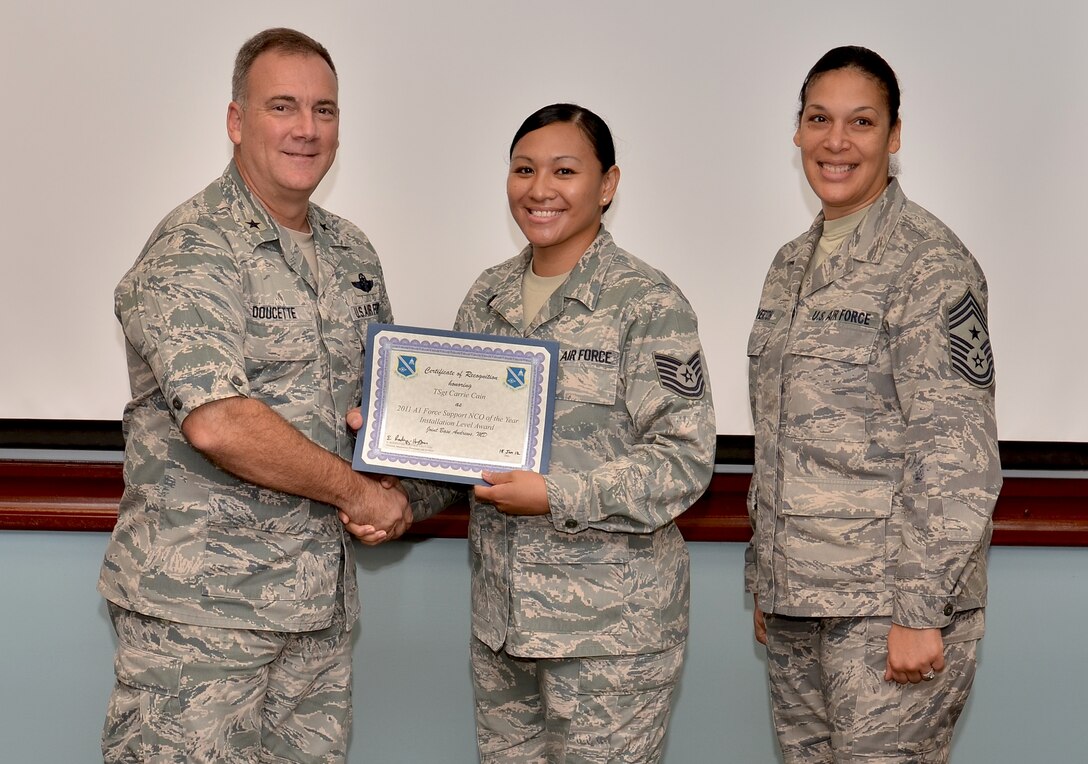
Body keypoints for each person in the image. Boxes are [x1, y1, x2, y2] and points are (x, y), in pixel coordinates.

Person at [351, 103, 716, 762]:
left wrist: (556, 494)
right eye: (524, 170)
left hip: (611, 637)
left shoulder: (649, 304)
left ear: (607, 185)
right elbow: (461, 454)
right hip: (503, 630)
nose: (539, 188)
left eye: (564, 170)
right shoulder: (486, 297)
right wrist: (395, 475)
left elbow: (683, 462)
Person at [98, 27, 411, 763]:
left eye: (324, 110)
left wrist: (401, 454)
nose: (306, 128)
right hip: (201, 621)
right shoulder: (194, 246)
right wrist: (360, 494)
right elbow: (219, 423)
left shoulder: (352, 254)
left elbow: (382, 405)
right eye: (283, 106)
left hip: (317, 617)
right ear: (237, 121)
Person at [745, 46, 1001, 762]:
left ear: (894, 137)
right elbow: (779, 431)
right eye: (819, 119)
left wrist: (921, 612)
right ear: (796, 130)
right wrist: (768, 578)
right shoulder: (792, 264)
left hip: (887, 612)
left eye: (861, 122)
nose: (836, 141)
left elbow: (956, 453)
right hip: (800, 602)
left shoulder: (929, 263)